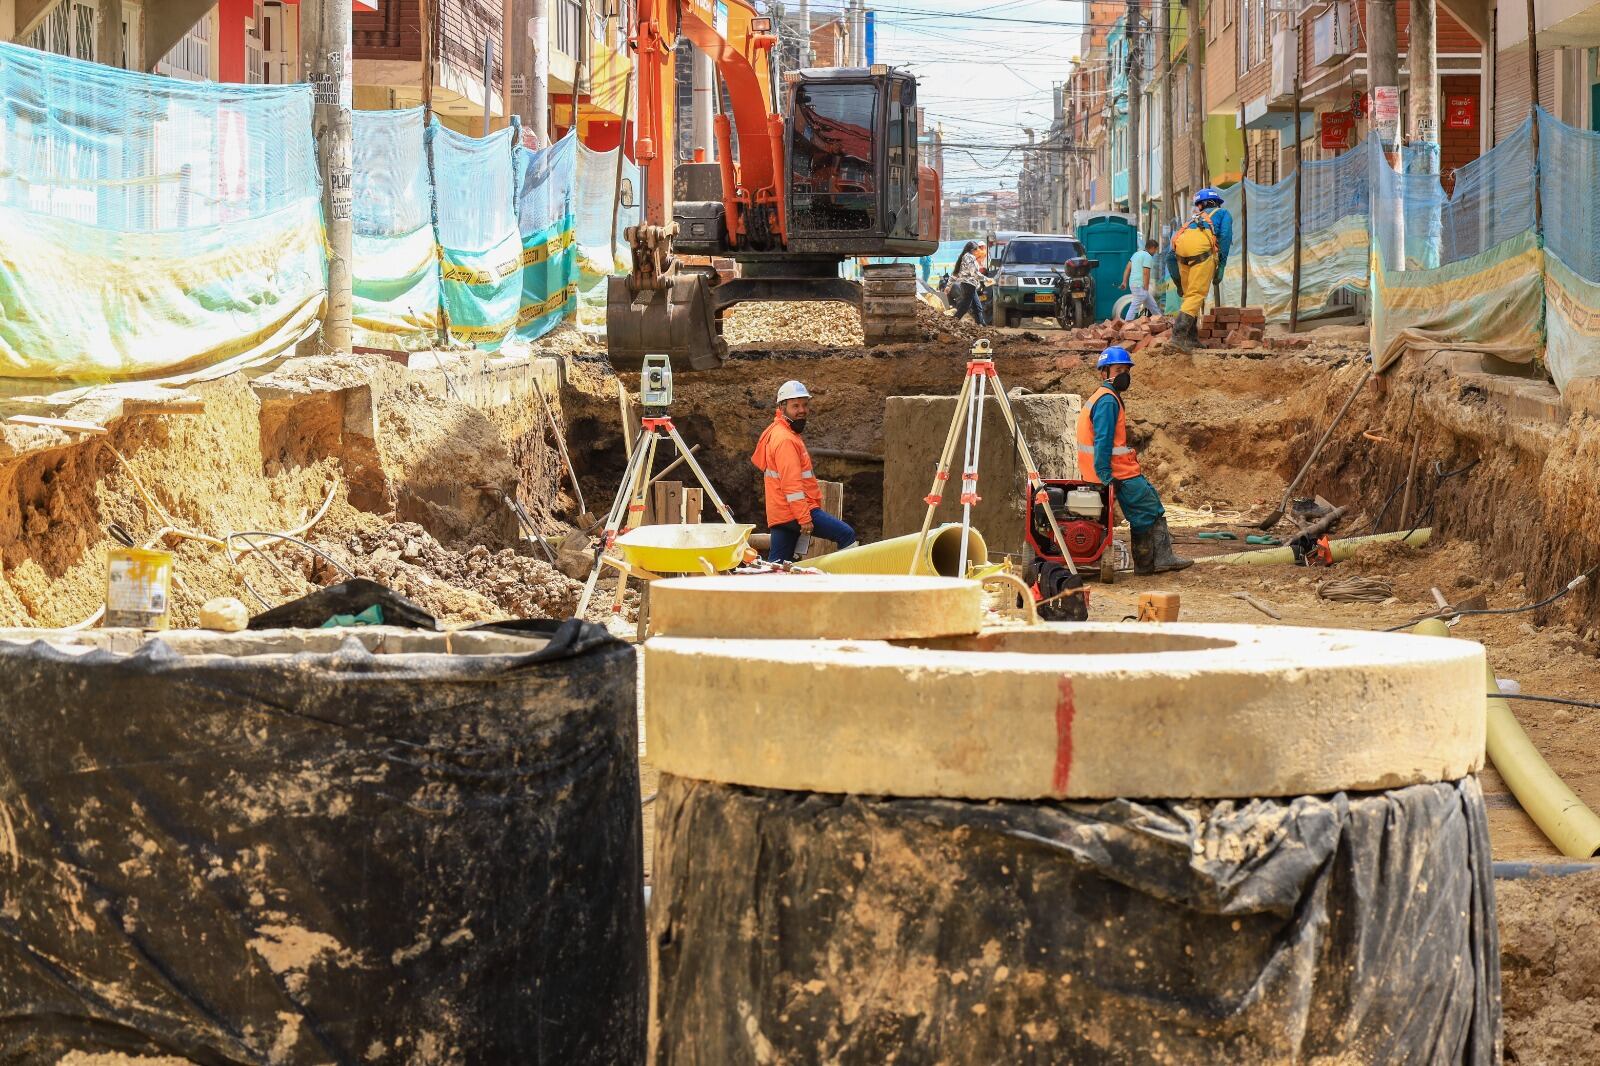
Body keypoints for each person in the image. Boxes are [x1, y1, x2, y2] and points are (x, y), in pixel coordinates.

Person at [1075, 347, 1192, 574]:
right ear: (1104, 372)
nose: (1124, 375)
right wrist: (1106, 477)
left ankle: (1147, 564)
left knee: (1143, 511)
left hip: (1106, 472)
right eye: (1119, 370)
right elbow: (1103, 441)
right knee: (1150, 507)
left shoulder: (1103, 397)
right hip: (1116, 472)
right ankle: (1159, 560)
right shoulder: (1108, 401)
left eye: (1127, 370)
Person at [752, 380, 857, 563]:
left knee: (776, 567)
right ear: (781, 407)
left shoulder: (780, 433)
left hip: (781, 514)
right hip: (795, 512)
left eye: (805, 405)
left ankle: (769, 591)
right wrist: (803, 517)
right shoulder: (785, 439)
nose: (802, 410)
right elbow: (791, 485)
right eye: (795, 406)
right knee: (846, 535)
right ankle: (844, 588)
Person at [1168, 187, 1233, 350]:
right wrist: (1222, 265)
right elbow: (1225, 237)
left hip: (1180, 250)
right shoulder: (1223, 214)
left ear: (1201, 204)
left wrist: (1178, 283)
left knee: (1189, 295)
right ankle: (1177, 336)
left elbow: (1170, 255)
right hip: (1201, 249)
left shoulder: (1191, 222)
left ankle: (1191, 338)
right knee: (1196, 294)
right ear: (1215, 203)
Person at [1120, 238, 1162, 320]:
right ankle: (1127, 324)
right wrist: (1146, 287)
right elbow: (1146, 273)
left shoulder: (1136, 254)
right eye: (1156, 250)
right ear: (1152, 248)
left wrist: (1124, 282)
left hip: (1133, 284)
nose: (1155, 252)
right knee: (1134, 306)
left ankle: (1160, 319)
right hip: (1140, 286)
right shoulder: (1148, 256)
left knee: (1152, 305)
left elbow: (1127, 268)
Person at [950, 240, 988, 325]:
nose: (977, 252)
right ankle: (953, 321)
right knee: (965, 306)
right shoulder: (969, 257)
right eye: (976, 250)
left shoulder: (965, 256)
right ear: (972, 250)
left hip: (970, 285)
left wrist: (948, 285)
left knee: (977, 306)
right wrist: (986, 279)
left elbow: (955, 273)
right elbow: (974, 272)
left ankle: (981, 324)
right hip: (969, 285)